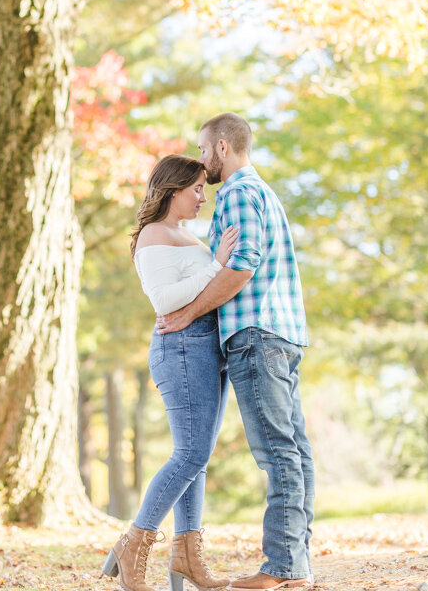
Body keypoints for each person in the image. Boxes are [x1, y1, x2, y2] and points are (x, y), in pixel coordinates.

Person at [158, 114, 315, 591]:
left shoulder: (237, 193)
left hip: (256, 335)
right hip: (281, 336)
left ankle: (282, 568)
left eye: (204, 152)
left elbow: (242, 266)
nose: (202, 165)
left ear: (223, 148)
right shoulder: (263, 193)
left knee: (277, 453)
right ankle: (297, 566)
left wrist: (188, 313)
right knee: (295, 452)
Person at [102, 154, 239, 591]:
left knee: (197, 460)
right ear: (172, 190)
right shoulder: (154, 234)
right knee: (190, 456)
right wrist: (217, 265)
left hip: (202, 350)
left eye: (204, 189)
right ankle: (133, 544)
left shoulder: (182, 234)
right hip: (179, 349)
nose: (203, 197)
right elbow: (164, 299)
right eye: (196, 189)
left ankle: (187, 556)